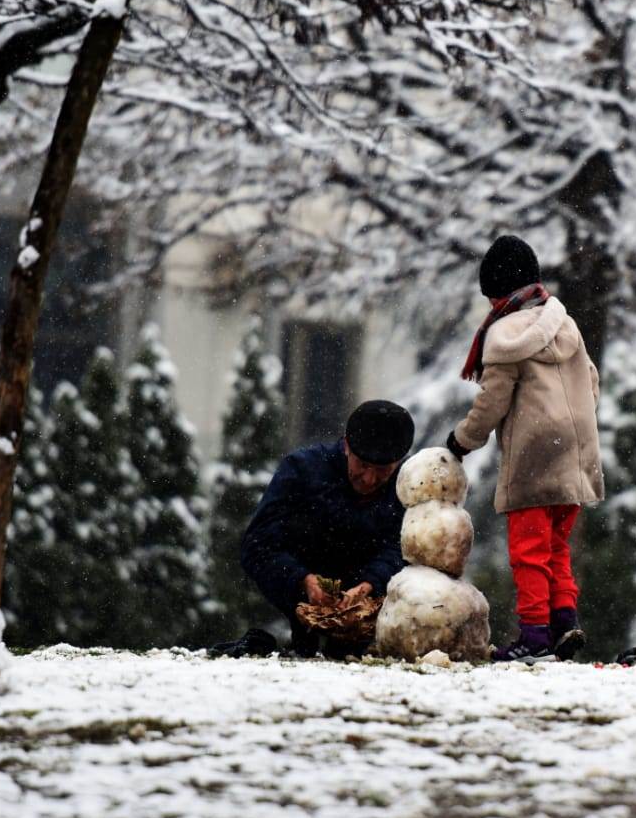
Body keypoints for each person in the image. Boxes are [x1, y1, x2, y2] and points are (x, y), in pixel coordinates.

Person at [446, 235, 604, 661]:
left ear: (497, 291)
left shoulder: (502, 335)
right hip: (575, 453)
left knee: (528, 551)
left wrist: (463, 440)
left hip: (534, 454)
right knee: (556, 547)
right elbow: (591, 382)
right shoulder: (565, 324)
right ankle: (564, 623)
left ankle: (534, 635)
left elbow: (492, 401)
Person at [241, 399, 414, 656]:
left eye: (382, 471)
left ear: (399, 463)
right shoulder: (301, 471)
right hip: (299, 587)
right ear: (346, 446)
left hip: (374, 602)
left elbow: (402, 548)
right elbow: (258, 544)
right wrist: (302, 581)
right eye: (362, 465)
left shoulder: (408, 486)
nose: (369, 479)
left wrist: (370, 585)